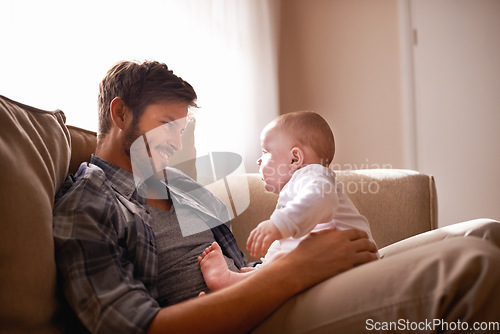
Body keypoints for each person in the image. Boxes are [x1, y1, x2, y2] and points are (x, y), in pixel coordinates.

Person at [53, 60, 500, 334]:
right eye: (168, 123)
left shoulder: (181, 188)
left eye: (183, 128)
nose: (178, 140)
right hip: (256, 315)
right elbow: (139, 329)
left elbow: (244, 264)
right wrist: (298, 268)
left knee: (484, 235)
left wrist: (294, 264)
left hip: (275, 289)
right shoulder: (89, 203)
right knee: (473, 268)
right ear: (120, 113)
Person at [199, 111, 378, 291]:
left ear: (295, 159)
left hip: (349, 259)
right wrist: (264, 265)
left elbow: (323, 199)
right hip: (329, 264)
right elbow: (286, 244)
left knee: (280, 265)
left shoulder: (311, 174)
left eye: (265, 151)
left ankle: (231, 282)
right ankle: (242, 282)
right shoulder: (296, 194)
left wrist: (280, 224)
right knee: (279, 263)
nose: (258, 160)